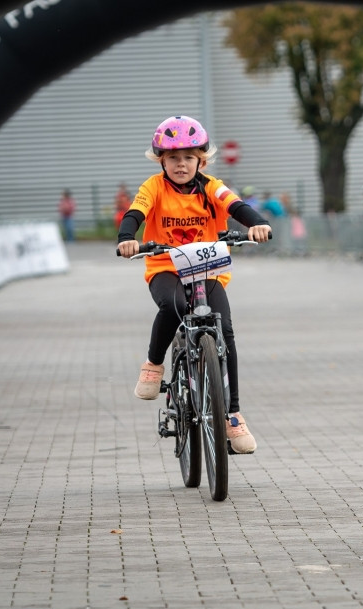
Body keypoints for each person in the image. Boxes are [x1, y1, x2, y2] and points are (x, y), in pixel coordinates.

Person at [116, 115, 272, 454]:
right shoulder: (154, 187)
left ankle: (232, 414)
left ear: (201, 159)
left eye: (188, 157)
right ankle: (154, 365)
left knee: (224, 328)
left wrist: (258, 224)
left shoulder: (212, 186)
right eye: (173, 158)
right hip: (165, 265)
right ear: (162, 160)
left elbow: (238, 206)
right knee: (172, 306)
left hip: (208, 268)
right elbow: (136, 212)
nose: (181, 164)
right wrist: (127, 237)